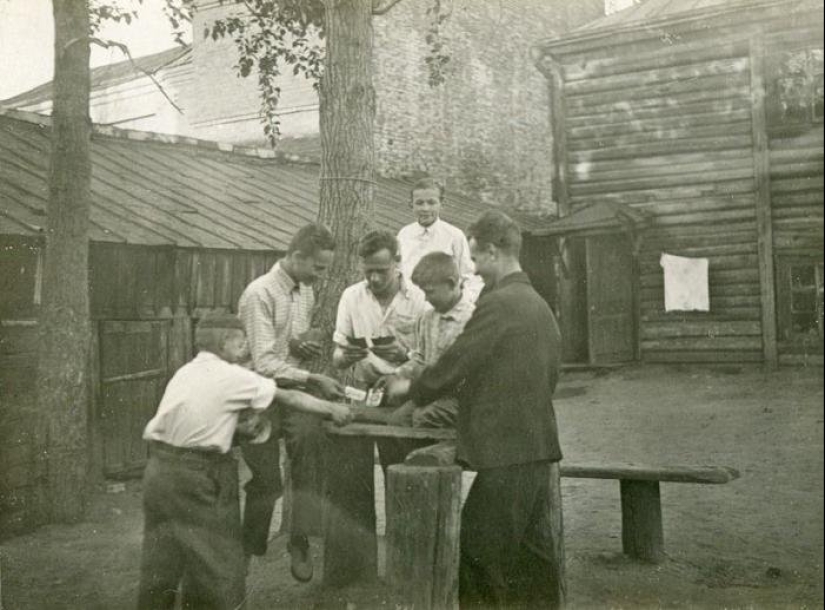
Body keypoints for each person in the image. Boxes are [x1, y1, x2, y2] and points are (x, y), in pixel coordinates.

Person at [385, 210, 564, 609]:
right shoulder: (536, 302)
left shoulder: (501, 303)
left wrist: (411, 387)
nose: (476, 270)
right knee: (531, 560)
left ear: (495, 252)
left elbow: (459, 360)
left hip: (509, 450)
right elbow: (551, 375)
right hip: (535, 446)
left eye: (478, 259)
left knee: (479, 555)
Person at [138, 313, 352, 610]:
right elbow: (288, 397)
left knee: (162, 563)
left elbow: (197, 417)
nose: (246, 350)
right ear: (226, 342)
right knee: (220, 567)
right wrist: (332, 409)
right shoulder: (233, 375)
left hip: (160, 470)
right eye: (242, 344)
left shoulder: (185, 372)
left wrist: (235, 427)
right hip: (199, 475)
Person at [237, 223, 344, 582]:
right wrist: (314, 378)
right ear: (296, 257)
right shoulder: (259, 293)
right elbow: (264, 362)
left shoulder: (305, 292)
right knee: (266, 480)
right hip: (257, 394)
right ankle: (249, 549)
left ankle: (299, 539)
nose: (321, 274)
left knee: (311, 440)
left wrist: (299, 344)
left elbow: (285, 346)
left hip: (291, 392)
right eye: (318, 267)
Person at [375, 251, 475, 466]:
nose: (426, 298)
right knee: (392, 424)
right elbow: (419, 358)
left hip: (460, 399)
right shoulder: (428, 318)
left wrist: (413, 385)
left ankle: (428, 469)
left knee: (422, 418)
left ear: (451, 283)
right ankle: (401, 484)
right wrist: (397, 374)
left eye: (430, 292)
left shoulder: (472, 321)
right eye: (423, 292)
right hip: (428, 395)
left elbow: (463, 375)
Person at [332, 229, 428, 390]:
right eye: (369, 271)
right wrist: (346, 357)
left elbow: (433, 359)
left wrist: (404, 355)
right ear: (362, 264)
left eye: (382, 271)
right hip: (365, 389)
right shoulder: (351, 296)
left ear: (397, 262)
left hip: (408, 387)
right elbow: (337, 358)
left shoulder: (420, 298)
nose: (374, 278)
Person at [397, 176, 483, 302]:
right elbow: (398, 272)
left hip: (442, 308)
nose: (425, 208)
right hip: (408, 307)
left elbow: (472, 277)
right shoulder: (404, 234)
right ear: (411, 205)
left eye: (431, 202)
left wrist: (462, 303)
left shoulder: (454, 236)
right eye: (419, 203)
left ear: (441, 204)